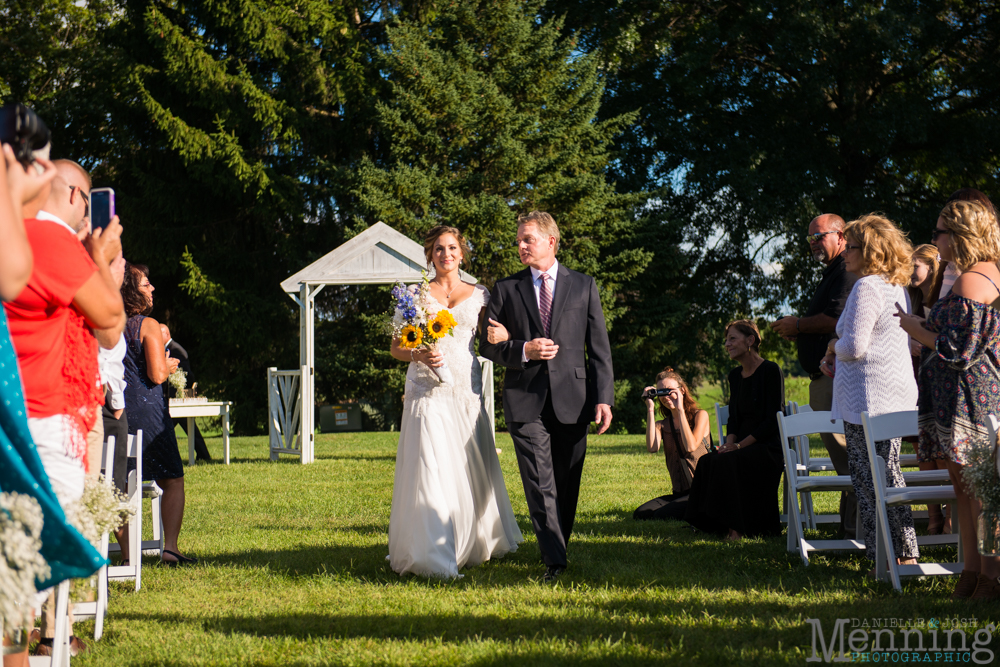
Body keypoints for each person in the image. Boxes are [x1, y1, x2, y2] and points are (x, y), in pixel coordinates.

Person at [4, 158, 124, 656]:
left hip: (16, 409)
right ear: (76, 198)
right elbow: (111, 321)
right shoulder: (51, 239)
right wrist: (100, 256)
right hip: (46, 421)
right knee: (18, 577)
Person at [480, 211, 614, 582]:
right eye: (519, 240)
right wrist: (524, 350)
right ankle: (554, 561)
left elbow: (599, 348)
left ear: (551, 241)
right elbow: (487, 346)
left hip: (575, 397)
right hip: (526, 399)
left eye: (528, 239)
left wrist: (604, 398)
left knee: (566, 481)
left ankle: (558, 545)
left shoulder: (584, 285)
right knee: (540, 482)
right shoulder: (506, 289)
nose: (520, 246)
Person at [386, 225, 522, 579]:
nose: (446, 255)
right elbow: (397, 348)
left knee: (466, 462)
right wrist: (418, 356)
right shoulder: (416, 296)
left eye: (452, 248)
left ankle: (476, 539)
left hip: (465, 385)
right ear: (430, 255)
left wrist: (507, 335)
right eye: (438, 249)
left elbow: (496, 337)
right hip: (425, 389)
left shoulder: (480, 294)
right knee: (431, 463)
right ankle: (433, 548)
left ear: (462, 253)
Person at [897, 199, 1000, 599]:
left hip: (971, 397)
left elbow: (958, 349)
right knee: (963, 487)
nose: (934, 237)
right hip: (954, 396)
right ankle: (971, 572)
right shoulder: (965, 275)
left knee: (979, 490)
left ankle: (990, 577)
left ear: (960, 235)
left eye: (940, 231)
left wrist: (913, 327)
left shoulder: (975, 279)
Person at [820, 214, 919, 575]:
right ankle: (902, 553)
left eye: (852, 245)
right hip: (891, 395)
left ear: (871, 250)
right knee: (889, 475)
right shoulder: (895, 287)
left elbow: (856, 347)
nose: (844, 251)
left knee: (870, 478)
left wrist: (833, 345)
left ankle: (885, 557)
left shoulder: (866, 287)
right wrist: (835, 354)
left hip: (868, 401)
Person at [769, 213, 858, 539]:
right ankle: (850, 526)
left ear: (841, 236)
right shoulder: (834, 271)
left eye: (818, 236)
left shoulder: (847, 272)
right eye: (809, 238)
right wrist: (802, 333)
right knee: (845, 456)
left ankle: (855, 529)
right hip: (824, 377)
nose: (812, 244)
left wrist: (799, 326)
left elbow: (836, 319)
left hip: (835, 377)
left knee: (848, 455)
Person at [120, 263, 196, 566]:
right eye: (146, 285)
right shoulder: (146, 324)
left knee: (119, 484)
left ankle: (128, 557)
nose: (152, 289)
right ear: (132, 291)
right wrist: (167, 364)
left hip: (115, 412)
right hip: (148, 413)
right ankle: (171, 548)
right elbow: (155, 374)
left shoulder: (106, 322)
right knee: (172, 479)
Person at [684, 320, 785, 540]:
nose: (727, 344)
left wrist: (738, 446)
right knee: (708, 460)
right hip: (740, 444)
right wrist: (729, 444)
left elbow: (772, 421)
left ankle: (736, 529)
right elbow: (734, 420)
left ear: (750, 340)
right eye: (726, 339)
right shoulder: (734, 376)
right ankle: (711, 523)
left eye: (732, 338)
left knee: (731, 461)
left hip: (767, 445)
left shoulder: (770, 370)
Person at [906, 244, 949, 535]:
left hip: (940, 375)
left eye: (915, 266)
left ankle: (949, 514)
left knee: (943, 446)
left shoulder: (945, 296)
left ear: (932, 266)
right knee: (921, 446)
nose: (910, 272)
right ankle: (933, 516)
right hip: (916, 374)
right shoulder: (911, 297)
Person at [633, 367, 711, 521]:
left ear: (682, 391)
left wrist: (680, 409)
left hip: (701, 490)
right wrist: (650, 408)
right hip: (679, 493)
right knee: (641, 514)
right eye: (661, 392)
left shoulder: (700, 416)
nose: (666, 395)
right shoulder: (661, 425)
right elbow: (652, 448)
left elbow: (690, 446)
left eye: (670, 390)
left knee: (663, 515)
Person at [161, 323, 212, 462]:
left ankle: (165, 456)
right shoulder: (169, 348)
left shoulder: (175, 350)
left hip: (178, 394)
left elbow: (184, 374)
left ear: (167, 334)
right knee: (188, 427)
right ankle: (204, 455)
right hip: (176, 394)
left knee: (167, 426)